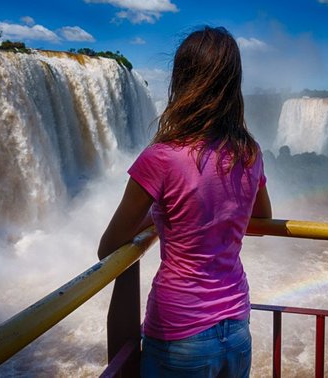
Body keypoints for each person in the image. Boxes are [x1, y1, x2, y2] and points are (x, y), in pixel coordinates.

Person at [98, 26, 272, 377]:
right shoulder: (249, 153)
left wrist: (158, 217)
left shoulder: (161, 157)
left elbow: (108, 247)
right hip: (236, 323)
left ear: (182, 82)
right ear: (232, 86)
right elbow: (262, 222)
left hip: (180, 333)